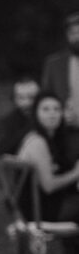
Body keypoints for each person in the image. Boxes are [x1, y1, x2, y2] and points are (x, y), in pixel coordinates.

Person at [16, 91, 79, 223]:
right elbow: (48, 186)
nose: (52, 114)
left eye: (57, 109)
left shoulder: (52, 139)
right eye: (45, 109)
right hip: (40, 211)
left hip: (49, 204)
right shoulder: (37, 142)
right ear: (36, 113)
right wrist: (75, 173)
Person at [41, 11, 79, 163]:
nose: (77, 37)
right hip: (64, 135)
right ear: (67, 35)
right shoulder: (54, 64)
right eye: (73, 33)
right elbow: (45, 98)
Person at [0, 76, 39, 157]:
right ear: (14, 98)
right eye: (21, 97)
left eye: (31, 97)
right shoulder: (7, 122)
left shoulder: (49, 117)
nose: (26, 103)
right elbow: (2, 150)